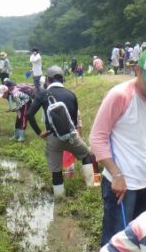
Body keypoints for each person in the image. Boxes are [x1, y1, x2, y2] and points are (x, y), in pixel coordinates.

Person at [89, 48, 146, 246]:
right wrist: (116, 175)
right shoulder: (120, 96)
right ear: (137, 70)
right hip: (123, 186)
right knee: (115, 243)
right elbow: (97, 138)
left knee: (141, 241)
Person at [27, 66, 96, 196]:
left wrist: (39, 132)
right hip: (71, 136)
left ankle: (59, 200)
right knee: (86, 155)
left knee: (56, 171)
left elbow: (30, 114)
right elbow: (75, 121)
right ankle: (91, 187)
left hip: (53, 138)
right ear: (63, 79)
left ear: (47, 79)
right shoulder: (71, 94)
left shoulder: (42, 94)